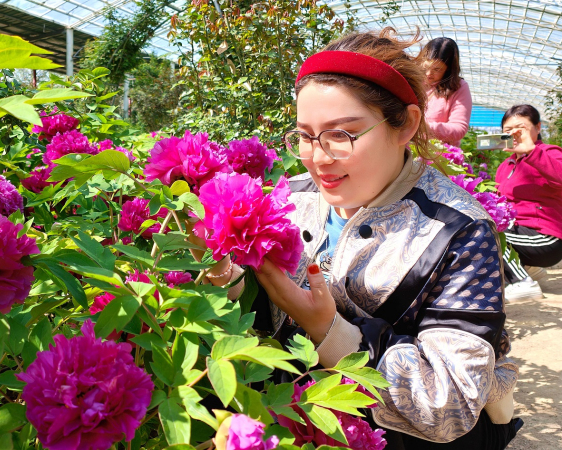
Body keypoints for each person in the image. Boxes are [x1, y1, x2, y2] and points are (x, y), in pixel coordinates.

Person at [201, 28, 520, 449]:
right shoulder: (294, 198)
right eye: (304, 135)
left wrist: (330, 331)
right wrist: (230, 278)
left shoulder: (456, 230)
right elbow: (266, 318)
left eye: (342, 134)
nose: (318, 157)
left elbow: (452, 405)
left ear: (405, 125)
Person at [495, 104, 562, 302]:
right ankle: (528, 268)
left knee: (492, 234)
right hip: (521, 233)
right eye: (508, 131)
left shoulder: (550, 153)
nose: (513, 134)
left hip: (546, 237)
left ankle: (522, 282)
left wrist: (532, 151)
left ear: (538, 127)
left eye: (520, 129)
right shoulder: (506, 165)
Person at [420, 37, 472, 147]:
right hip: (406, 150)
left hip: (438, 155)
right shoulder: (412, 81)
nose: (429, 73)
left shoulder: (458, 87)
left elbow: (459, 129)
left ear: (448, 70)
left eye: (437, 69)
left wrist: (422, 127)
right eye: (426, 66)